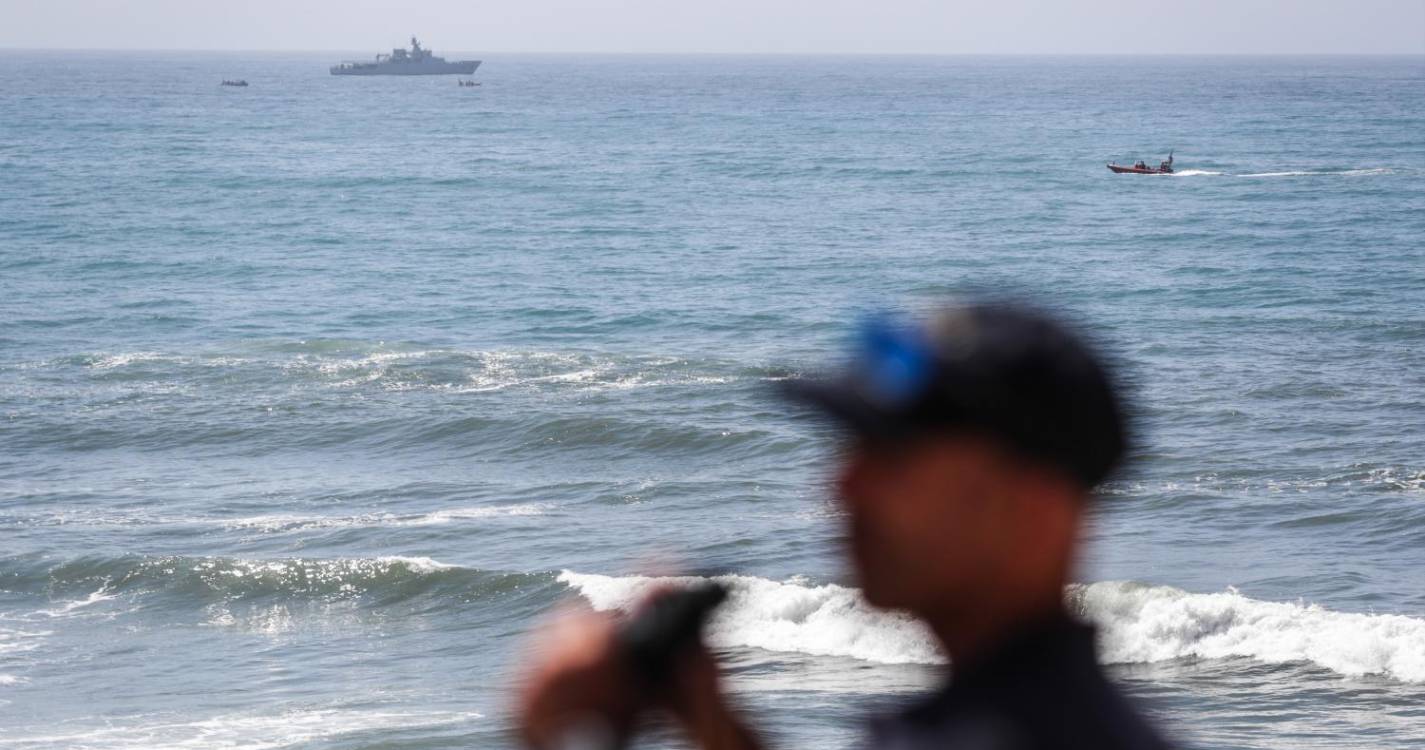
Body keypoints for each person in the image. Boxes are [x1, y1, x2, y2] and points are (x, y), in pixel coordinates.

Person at [517, 301, 1175, 750]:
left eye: (890, 456)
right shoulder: (1025, 715)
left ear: (1034, 507)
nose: (841, 484)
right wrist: (712, 724)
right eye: (849, 450)